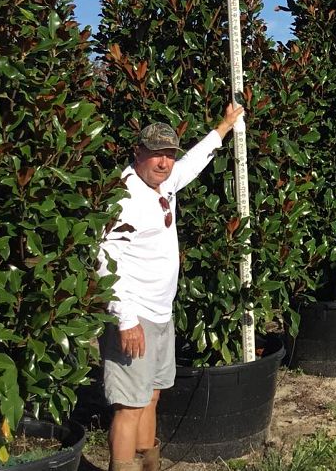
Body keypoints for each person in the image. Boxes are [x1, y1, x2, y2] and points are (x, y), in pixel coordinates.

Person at [98, 103, 245, 471]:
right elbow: (105, 260)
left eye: (169, 154)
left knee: (151, 396)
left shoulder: (163, 183)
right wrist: (126, 320)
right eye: (156, 154)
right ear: (138, 153)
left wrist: (224, 126)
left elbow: (192, 163)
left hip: (161, 313)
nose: (164, 162)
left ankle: (148, 464)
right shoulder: (124, 197)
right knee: (129, 405)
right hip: (136, 316)